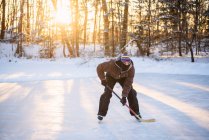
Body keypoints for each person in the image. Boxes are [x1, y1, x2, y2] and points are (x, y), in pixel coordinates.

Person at [96, 54, 142, 121]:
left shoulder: (131, 69)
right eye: (124, 63)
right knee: (107, 93)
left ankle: (135, 112)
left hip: (123, 77)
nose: (126, 64)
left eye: (128, 63)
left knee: (131, 92)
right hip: (111, 76)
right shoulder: (111, 64)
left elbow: (128, 83)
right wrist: (103, 79)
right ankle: (101, 113)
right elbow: (99, 67)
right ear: (121, 62)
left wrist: (124, 96)